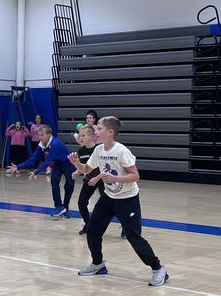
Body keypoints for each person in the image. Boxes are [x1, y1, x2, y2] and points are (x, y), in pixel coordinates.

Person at [68, 116, 169, 286]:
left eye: (99, 129)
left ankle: (158, 269)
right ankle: (98, 264)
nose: (95, 132)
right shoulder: (99, 150)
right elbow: (86, 170)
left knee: (133, 236)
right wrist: (77, 163)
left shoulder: (121, 151)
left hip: (127, 199)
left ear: (110, 132)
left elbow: (135, 175)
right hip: (108, 198)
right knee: (92, 231)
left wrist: (116, 178)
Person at [6, 124, 74, 217]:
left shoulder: (55, 144)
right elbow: (33, 158)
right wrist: (18, 167)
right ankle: (59, 207)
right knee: (54, 181)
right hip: (58, 164)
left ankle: (65, 207)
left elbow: (48, 161)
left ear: (49, 134)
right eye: (39, 135)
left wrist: (36, 171)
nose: (39, 137)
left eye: (42, 135)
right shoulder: (41, 144)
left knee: (69, 186)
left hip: (70, 164)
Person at [72, 124, 103, 235]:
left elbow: (105, 168)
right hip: (89, 179)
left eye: (83, 135)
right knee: (81, 203)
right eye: (79, 135)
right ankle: (88, 224)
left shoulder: (99, 149)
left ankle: (124, 227)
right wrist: (76, 172)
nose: (80, 138)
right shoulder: (81, 151)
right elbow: (84, 167)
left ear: (91, 136)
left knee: (112, 204)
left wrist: (97, 177)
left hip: (102, 179)